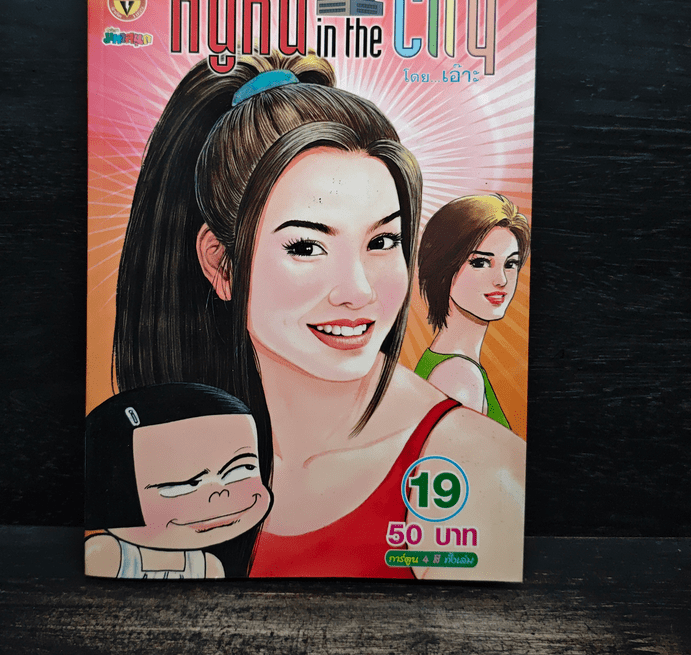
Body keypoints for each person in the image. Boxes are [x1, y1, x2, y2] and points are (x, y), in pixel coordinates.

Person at [113, 53, 526, 580]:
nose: (358, 292)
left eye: (383, 241)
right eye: (307, 247)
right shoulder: (158, 458)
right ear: (222, 264)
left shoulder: (478, 470)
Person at [85, 382, 272, 579]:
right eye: (180, 485)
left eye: (241, 469)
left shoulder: (209, 567)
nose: (218, 493)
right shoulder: (107, 555)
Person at [415, 194, 531, 428]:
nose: (501, 280)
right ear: (442, 268)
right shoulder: (460, 377)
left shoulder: (446, 364)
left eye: (510, 264)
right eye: (480, 263)